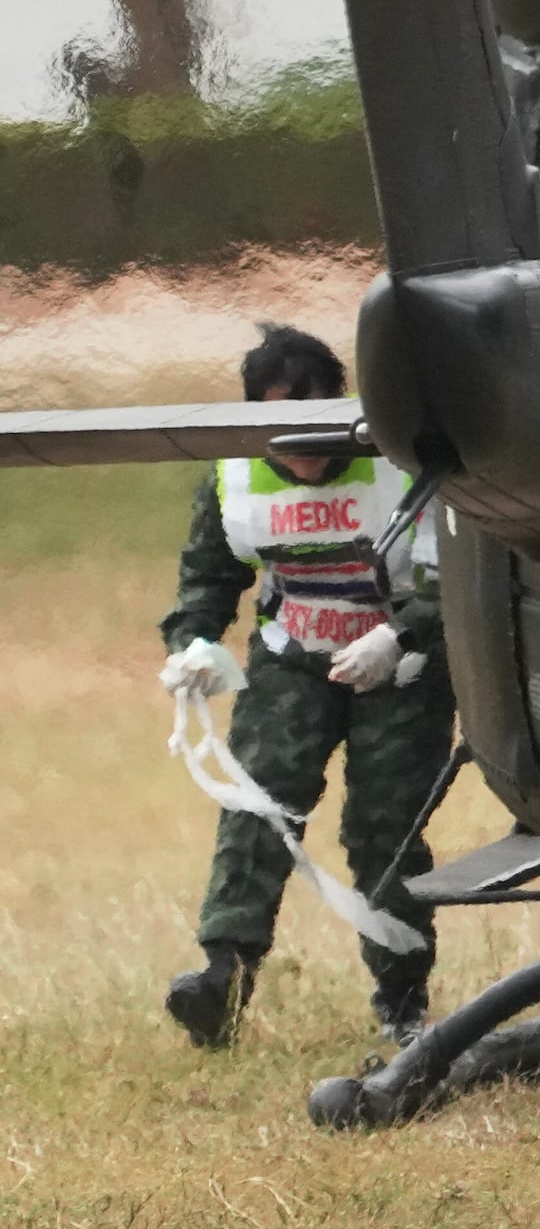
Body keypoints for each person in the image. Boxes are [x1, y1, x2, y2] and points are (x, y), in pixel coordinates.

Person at [155, 324, 449, 1048]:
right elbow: (209, 578)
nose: (307, 451)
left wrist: (397, 636)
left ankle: (403, 995)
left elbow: (455, 580)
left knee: (385, 829)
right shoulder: (234, 479)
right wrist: (192, 645)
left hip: (401, 666)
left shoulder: (405, 464)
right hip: (292, 659)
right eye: (283, 426)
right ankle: (222, 977)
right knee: (257, 809)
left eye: (318, 425)